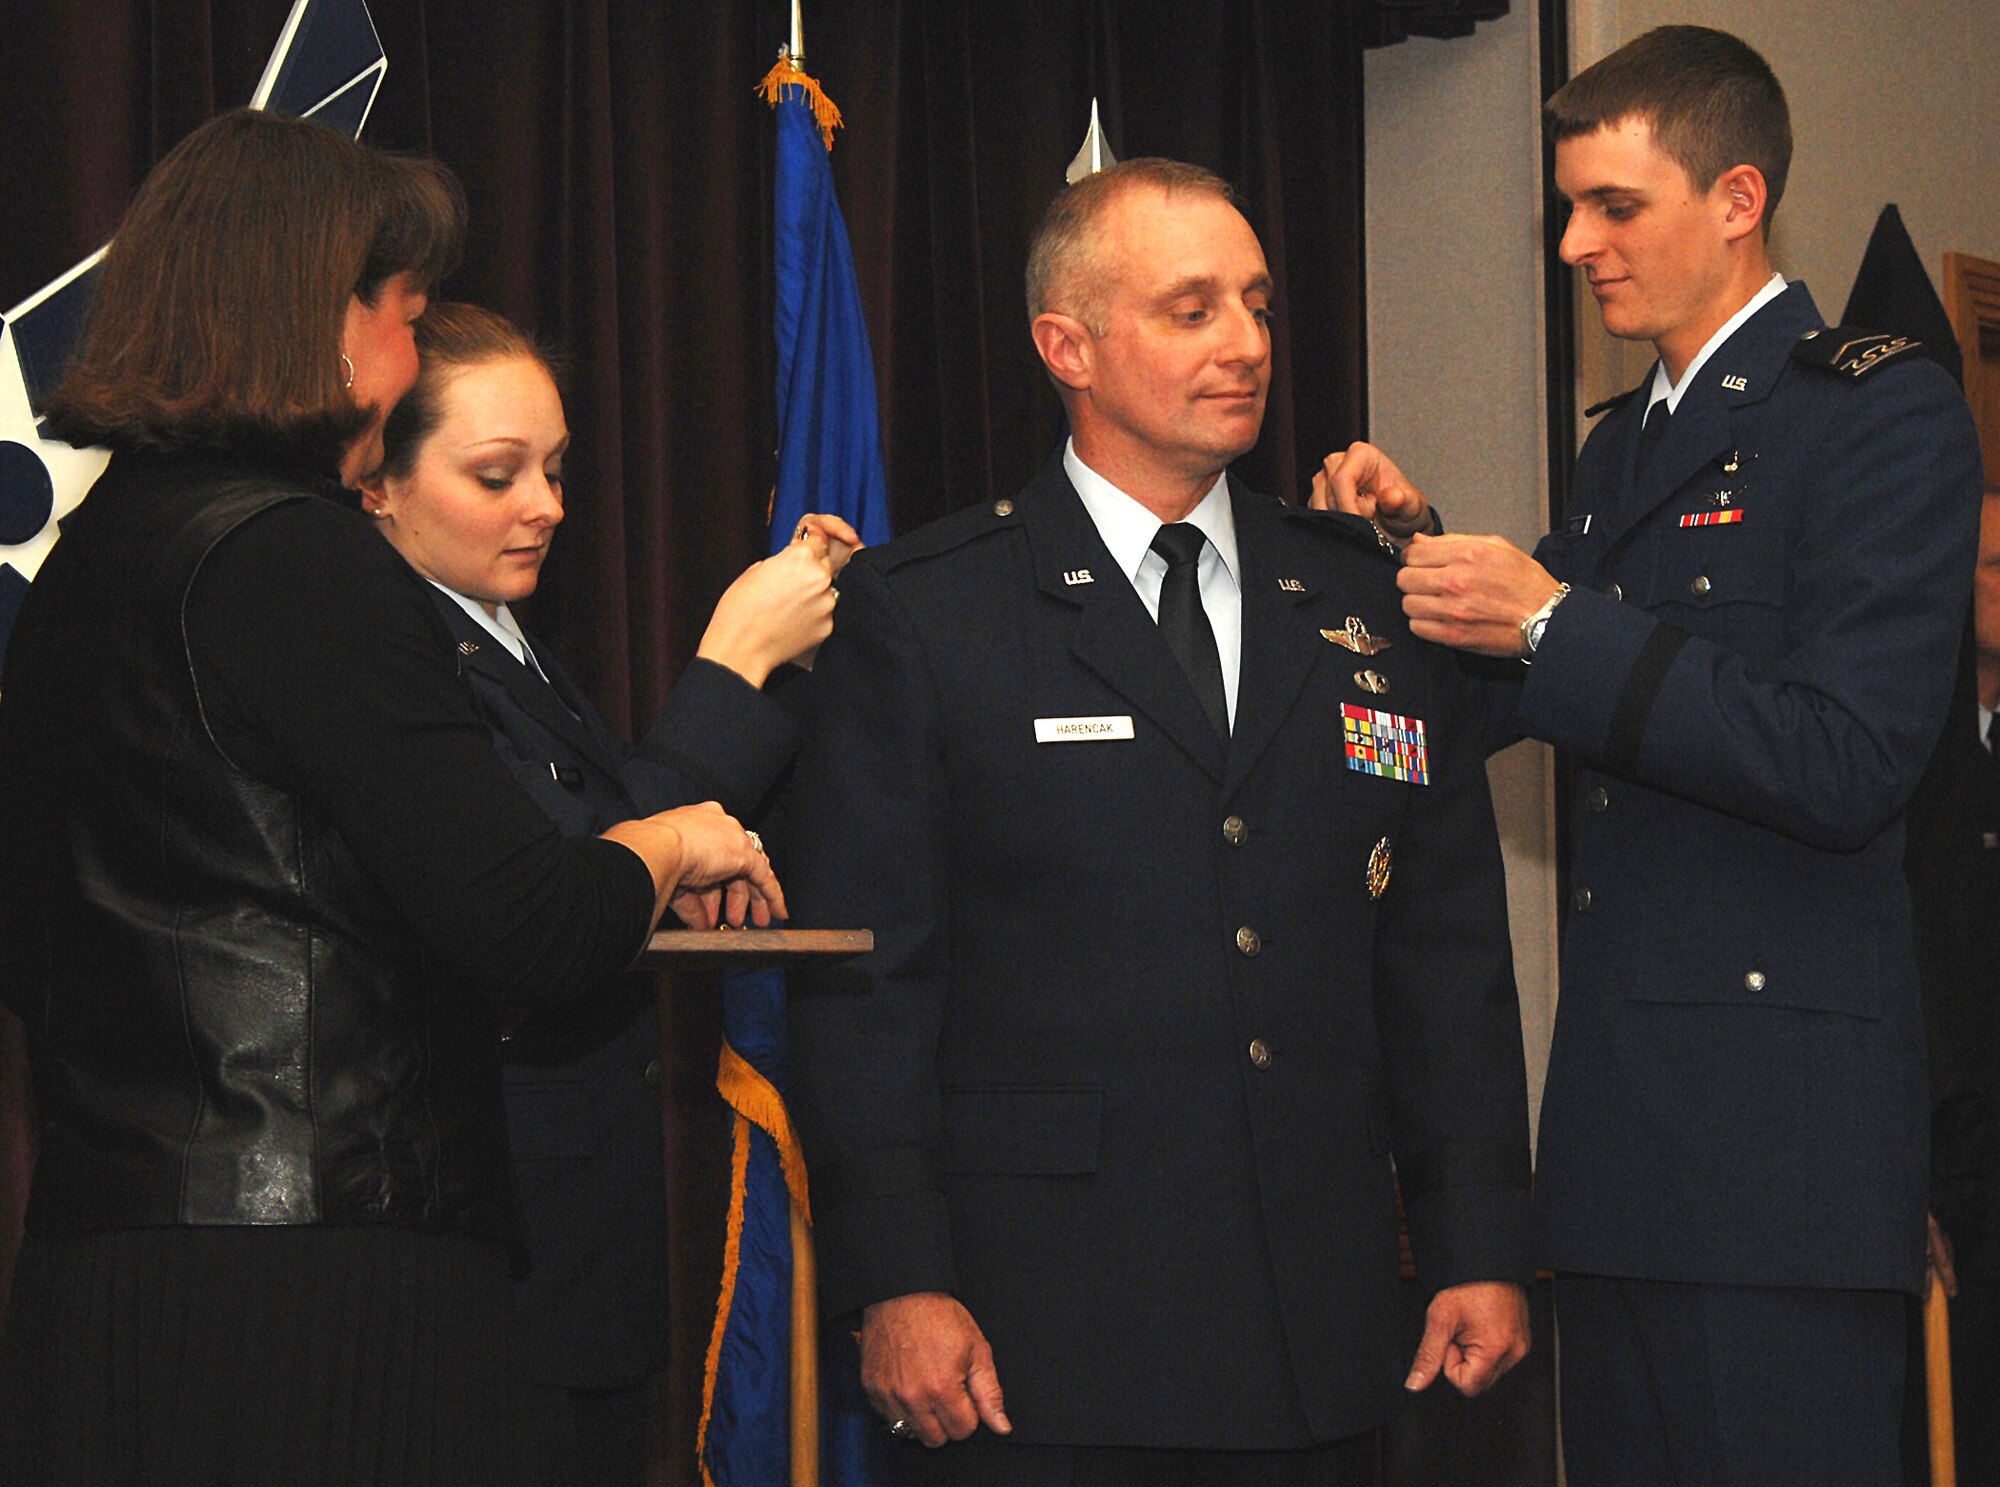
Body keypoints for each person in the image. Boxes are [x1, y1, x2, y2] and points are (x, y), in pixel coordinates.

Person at [0, 109, 780, 1485]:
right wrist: (667, 835)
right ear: (325, 318)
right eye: (409, 314)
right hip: (318, 1281)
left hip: (105, 1271)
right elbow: (533, 925)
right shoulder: (300, 560)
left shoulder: (84, 563)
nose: (412, 356)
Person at [783, 157, 1534, 1484]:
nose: (1246, 342)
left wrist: (1476, 1234)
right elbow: (869, 985)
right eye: (1192, 309)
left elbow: (1444, 957)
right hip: (1043, 1332)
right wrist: (896, 1274)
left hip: (1324, 1321)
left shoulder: (1366, 598)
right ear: (1066, 344)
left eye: (1254, 302)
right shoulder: (929, 610)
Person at [1318, 27, 1984, 1486]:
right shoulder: (1628, 446)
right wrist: (1397, 550)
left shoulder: (1881, 414)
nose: (1574, 244)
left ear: (1737, 198)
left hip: (1781, 1171)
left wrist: (1552, 621)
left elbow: (1849, 756)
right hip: (1626, 1154)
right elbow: (1511, 687)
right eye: (1569, 207)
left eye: (1612, 206)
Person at [358, 301, 857, 1484]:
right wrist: (732, 661)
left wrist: (698, 854)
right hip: (485, 1263)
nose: (548, 504)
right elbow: (559, 884)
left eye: (556, 466)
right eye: (498, 472)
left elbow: (616, 844)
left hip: (572, 1254)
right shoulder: (400, 651)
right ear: (376, 482)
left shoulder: (496, 630)